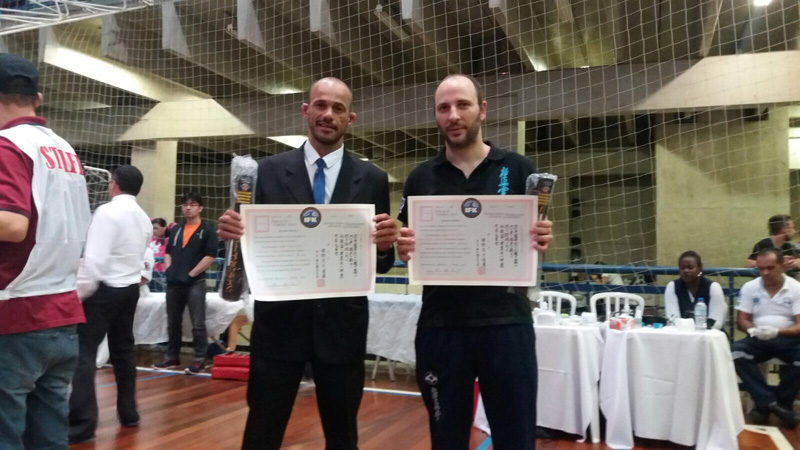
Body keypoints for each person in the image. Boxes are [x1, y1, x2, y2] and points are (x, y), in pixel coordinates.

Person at [217, 77, 398, 449]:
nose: (328, 114)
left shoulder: (372, 179)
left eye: (338, 108)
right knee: (262, 432)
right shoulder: (265, 172)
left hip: (342, 329)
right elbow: (249, 248)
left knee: (342, 436)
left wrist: (384, 245)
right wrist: (232, 233)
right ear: (306, 110)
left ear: (350, 118)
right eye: (320, 105)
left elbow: (381, 263)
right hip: (278, 328)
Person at [396, 74, 553, 449]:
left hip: (507, 324)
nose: (453, 115)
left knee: (516, 438)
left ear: (482, 110)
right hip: (441, 327)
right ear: (436, 115)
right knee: (446, 439)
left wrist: (543, 237)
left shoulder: (518, 169)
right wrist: (405, 247)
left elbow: (535, 236)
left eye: (462, 105)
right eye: (443, 108)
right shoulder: (420, 178)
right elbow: (408, 242)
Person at [0, 53, 92, 449]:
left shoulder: (8, 146)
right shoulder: (64, 150)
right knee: (49, 435)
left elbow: (12, 224)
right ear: (37, 99)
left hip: (16, 314)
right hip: (62, 309)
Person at [68, 165, 152, 443]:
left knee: (84, 353)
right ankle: (129, 413)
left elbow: (94, 263)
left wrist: (78, 295)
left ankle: (82, 424)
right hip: (130, 289)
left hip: (104, 291)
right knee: (123, 351)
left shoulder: (106, 212)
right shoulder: (144, 218)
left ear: (113, 184)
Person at [732, 248, 800, 428]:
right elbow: (741, 320)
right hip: (758, 339)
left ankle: (772, 405)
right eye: (761, 269)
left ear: (782, 266)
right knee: (735, 352)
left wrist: (777, 332)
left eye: (770, 268)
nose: (765, 273)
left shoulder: (796, 288)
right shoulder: (750, 287)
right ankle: (774, 404)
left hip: (789, 339)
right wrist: (753, 330)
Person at [153, 192, 219, 374]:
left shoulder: (207, 229)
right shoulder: (176, 229)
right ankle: (171, 356)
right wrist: (169, 270)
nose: (188, 208)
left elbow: (210, 255)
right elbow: (168, 251)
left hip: (195, 283)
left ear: (200, 208)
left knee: (198, 322)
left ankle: (200, 359)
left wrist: (192, 273)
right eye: (185, 204)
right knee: (173, 321)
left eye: (193, 204)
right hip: (174, 282)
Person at [664, 251, 726, 330]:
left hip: (709, 334)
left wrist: (697, 332)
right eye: (682, 268)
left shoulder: (713, 287)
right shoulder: (672, 286)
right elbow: (673, 320)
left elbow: (716, 324)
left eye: (690, 267)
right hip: (681, 333)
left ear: (700, 269)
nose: (686, 270)